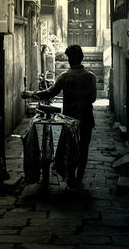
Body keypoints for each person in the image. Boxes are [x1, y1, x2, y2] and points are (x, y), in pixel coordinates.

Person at [32, 44, 97, 188]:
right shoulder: (91, 77)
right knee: (83, 149)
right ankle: (79, 178)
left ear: (69, 59)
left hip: (69, 119)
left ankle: (70, 178)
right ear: (82, 58)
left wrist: (32, 94)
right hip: (86, 118)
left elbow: (49, 93)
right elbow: (93, 98)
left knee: (70, 148)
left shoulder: (65, 76)